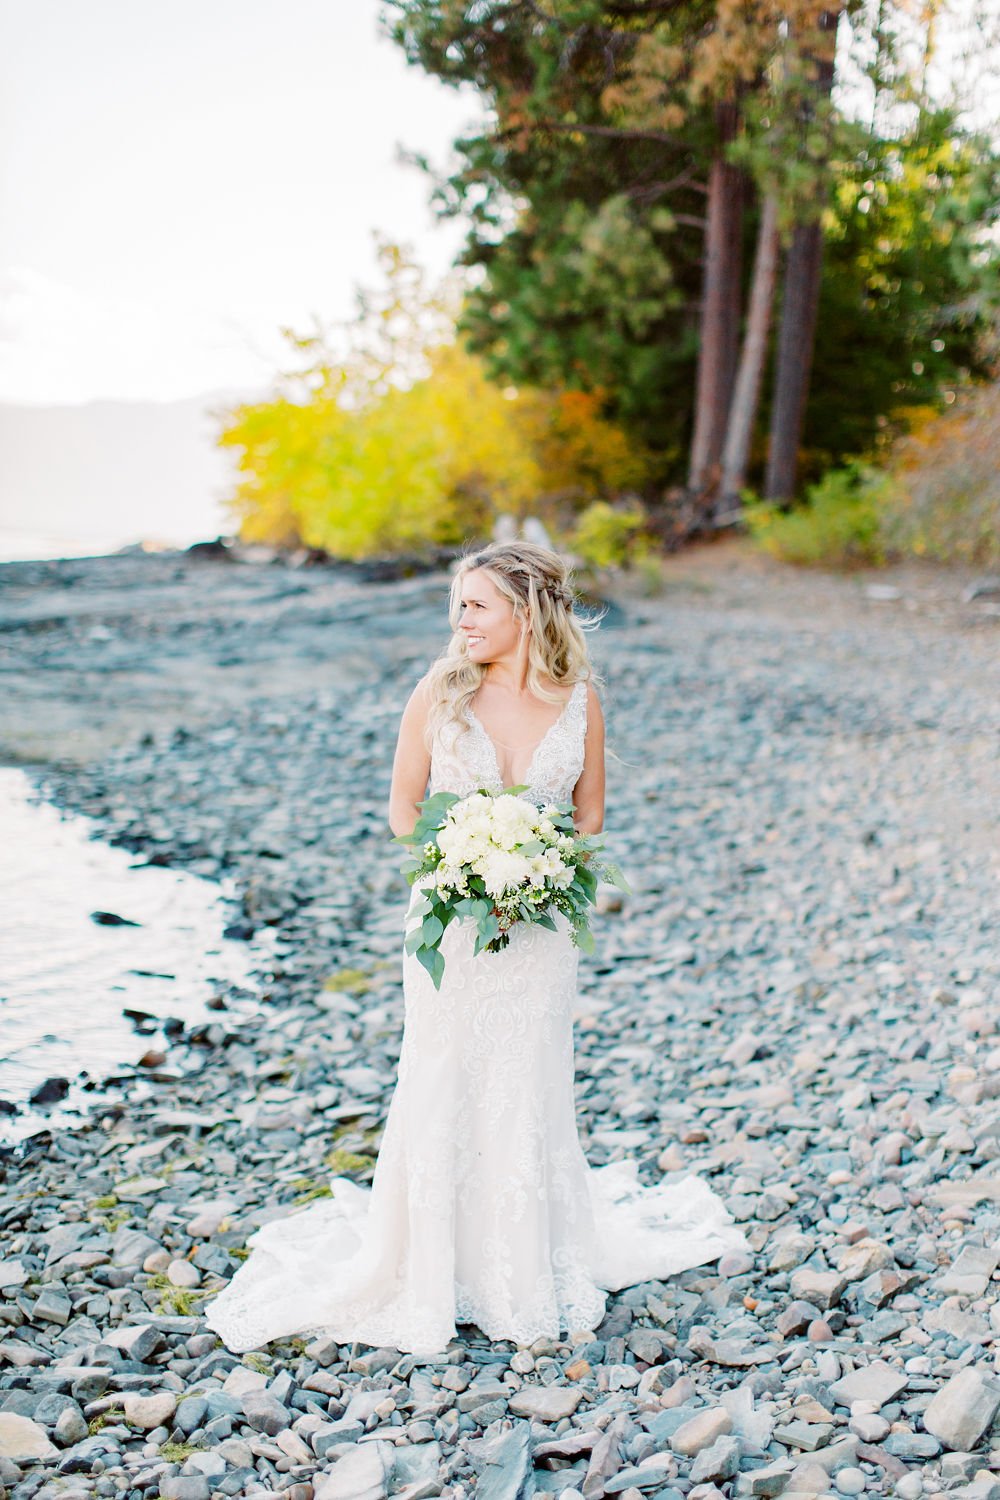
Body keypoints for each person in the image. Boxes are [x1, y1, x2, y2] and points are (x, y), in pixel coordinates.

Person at [203, 539, 751, 1357]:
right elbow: (401, 807)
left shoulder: (580, 698)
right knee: (442, 1071)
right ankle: (429, 1265)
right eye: (458, 604)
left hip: (541, 928)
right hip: (449, 924)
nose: (459, 620)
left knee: (525, 1079)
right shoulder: (440, 691)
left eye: (476, 605)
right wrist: (459, 863)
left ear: (525, 614)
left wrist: (535, 862)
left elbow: (590, 817)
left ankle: (522, 1268)